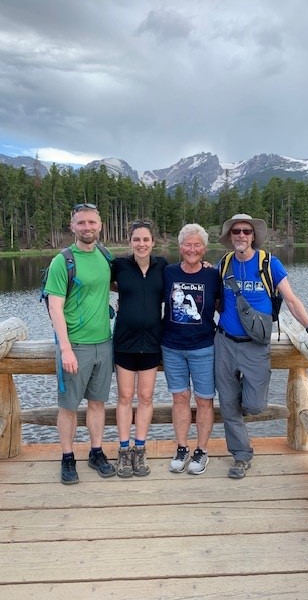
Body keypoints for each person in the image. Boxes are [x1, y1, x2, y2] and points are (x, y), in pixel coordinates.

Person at [216, 213, 308, 479]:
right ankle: (241, 455)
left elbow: (292, 300)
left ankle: (236, 400)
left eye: (246, 232)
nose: (241, 236)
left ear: (253, 236)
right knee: (227, 406)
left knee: (255, 405)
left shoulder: (269, 264)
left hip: (256, 345)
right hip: (224, 342)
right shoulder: (223, 264)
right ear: (230, 237)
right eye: (236, 231)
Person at [44, 203, 116, 485]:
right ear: (72, 226)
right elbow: (55, 308)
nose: (87, 227)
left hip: (104, 343)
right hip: (75, 346)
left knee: (98, 403)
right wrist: (65, 349)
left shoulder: (105, 255)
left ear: (100, 226)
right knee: (69, 406)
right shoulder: (63, 261)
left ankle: (96, 452)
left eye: (92, 222)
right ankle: (67, 457)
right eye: (81, 223)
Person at [162, 224, 220, 475]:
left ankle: (202, 450)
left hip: (204, 347)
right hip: (172, 347)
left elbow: (222, 306)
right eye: (188, 244)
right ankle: (182, 447)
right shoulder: (168, 272)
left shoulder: (212, 275)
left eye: (197, 245)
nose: (192, 249)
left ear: (204, 249)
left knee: (204, 400)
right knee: (180, 397)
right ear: (180, 247)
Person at [111, 220, 168, 477]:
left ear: (153, 242)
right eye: (136, 240)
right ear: (130, 242)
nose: (141, 244)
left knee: (145, 397)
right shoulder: (119, 266)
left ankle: (140, 448)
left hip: (153, 341)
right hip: (125, 341)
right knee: (124, 397)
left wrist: (207, 267)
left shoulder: (163, 267)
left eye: (146, 240)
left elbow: (186, 277)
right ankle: (123, 451)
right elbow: (101, 283)